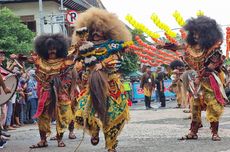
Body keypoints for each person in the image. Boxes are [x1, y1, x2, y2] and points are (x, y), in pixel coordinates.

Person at [72, 8, 131, 152]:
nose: (96, 33)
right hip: (90, 85)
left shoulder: (112, 45)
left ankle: (111, 145)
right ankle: (94, 129)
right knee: (81, 114)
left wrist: (103, 64)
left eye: (100, 30)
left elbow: (118, 57)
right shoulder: (83, 47)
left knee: (113, 116)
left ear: (106, 30)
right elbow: (75, 62)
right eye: (94, 30)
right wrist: (78, 65)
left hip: (111, 85)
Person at [160, 16, 227, 141]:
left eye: (199, 33)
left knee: (213, 105)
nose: (196, 36)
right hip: (195, 81)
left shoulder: (212, 48)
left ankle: (214, 133)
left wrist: (200, 77)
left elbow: (212, 66)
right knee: (194, 105)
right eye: (194, 33)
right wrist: (165, 46)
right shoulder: (189, 47)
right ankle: (193, 132)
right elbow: (177, 46)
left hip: (209, 81)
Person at [10, 33, 78, 148]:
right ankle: (43, 140)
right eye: (49, 49)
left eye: (54, 48)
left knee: (63, 115)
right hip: (45, 92)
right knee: (42, 115)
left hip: (61, 92)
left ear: (59, 48)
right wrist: (17, 57)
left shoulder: (64, 61)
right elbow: (27, 58)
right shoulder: (40, 60)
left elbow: (75, 58)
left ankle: (60, 139)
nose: (52, 51)